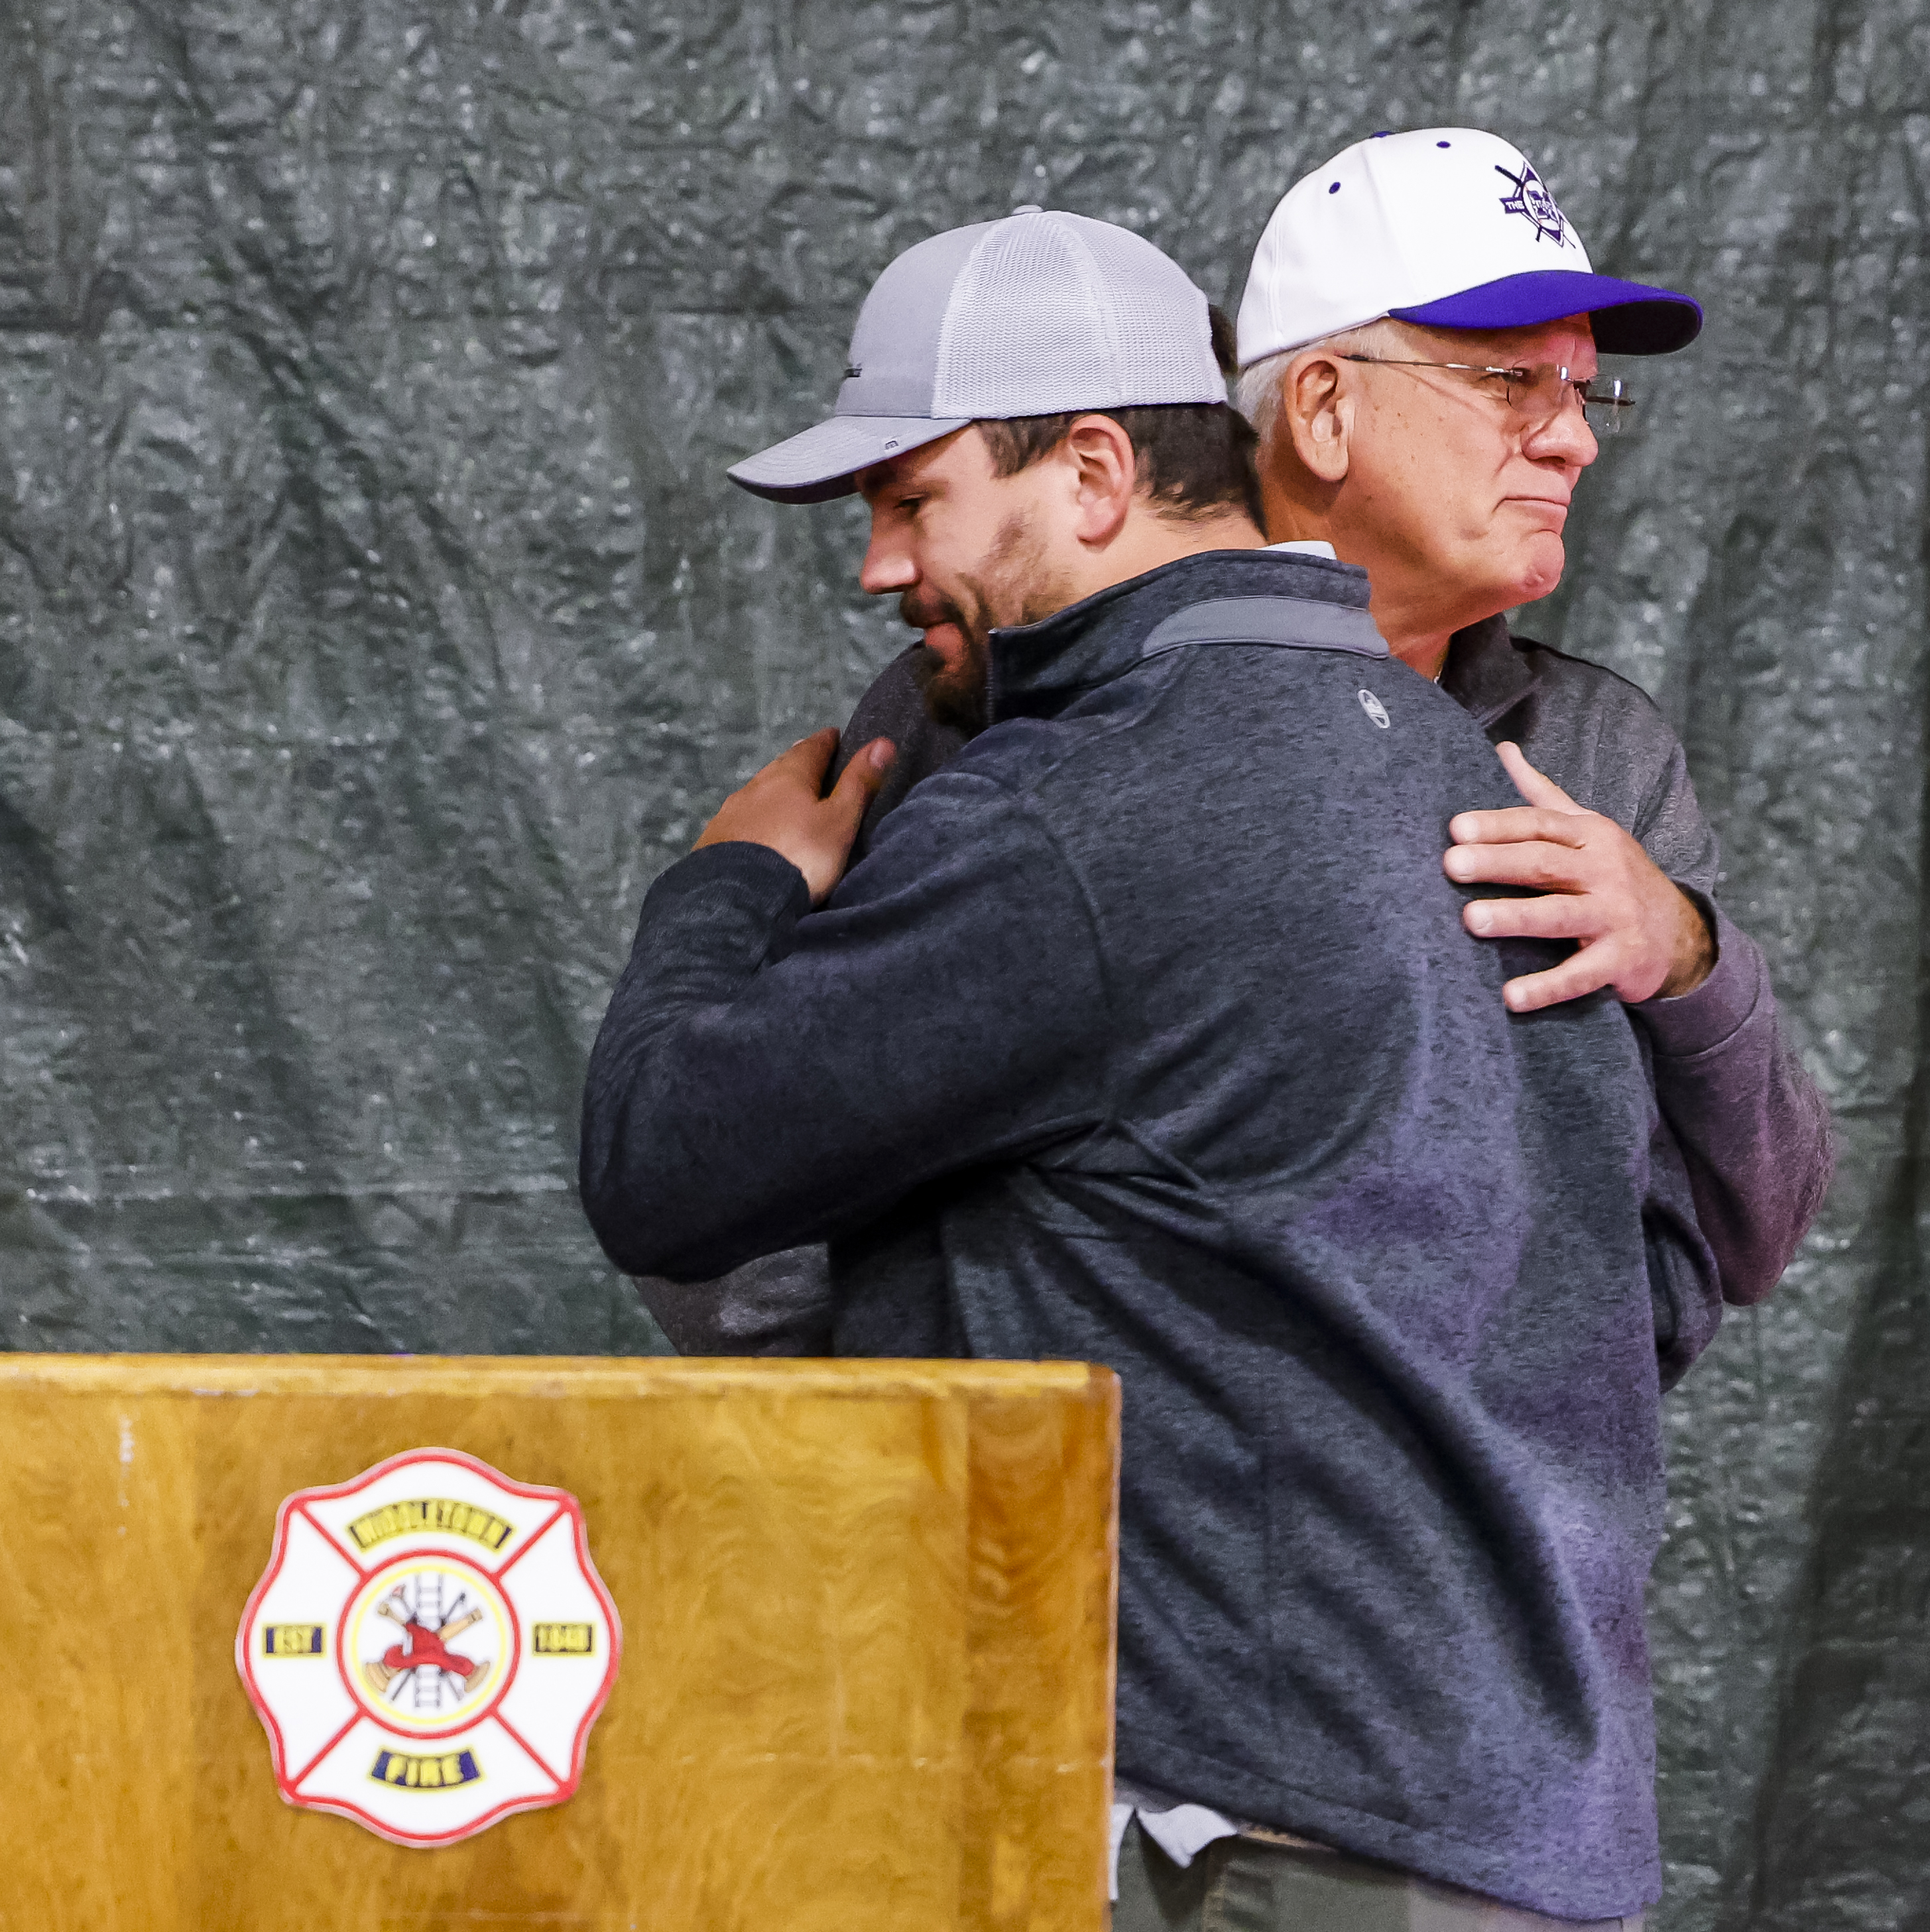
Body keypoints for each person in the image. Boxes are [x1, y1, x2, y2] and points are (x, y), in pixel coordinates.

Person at [583, 208, 1713, 1927]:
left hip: (1277, 1852)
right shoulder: (1469, 765)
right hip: (1529, 1832)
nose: (883, 565)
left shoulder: (1078, 807)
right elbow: (1660, 1282)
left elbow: (664, 1155)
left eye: (914, 499)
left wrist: (730, 880)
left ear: (1097, 473)